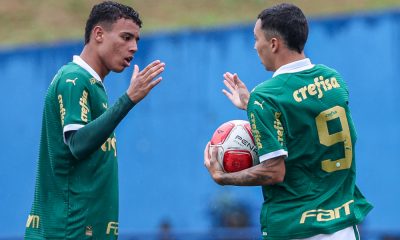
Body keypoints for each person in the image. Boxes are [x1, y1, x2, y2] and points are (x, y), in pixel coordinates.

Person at [204, 3, 372, 240]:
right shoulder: (333, 79)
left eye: (256, 39)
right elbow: (306, 122)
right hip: (343, 226)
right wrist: (253, 105)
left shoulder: (267, 95)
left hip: (296, 227)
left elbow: (274, 172)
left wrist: (224, 178)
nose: (255, 46)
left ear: (273, 44)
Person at [24, 1, 165, 239]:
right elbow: (78, 143)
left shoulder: (93, 85)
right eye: (126, 37)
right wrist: (128, 99)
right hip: (68, 231)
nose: (133, 48)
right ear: (98, 33)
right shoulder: (74, 79)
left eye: (136, 41)